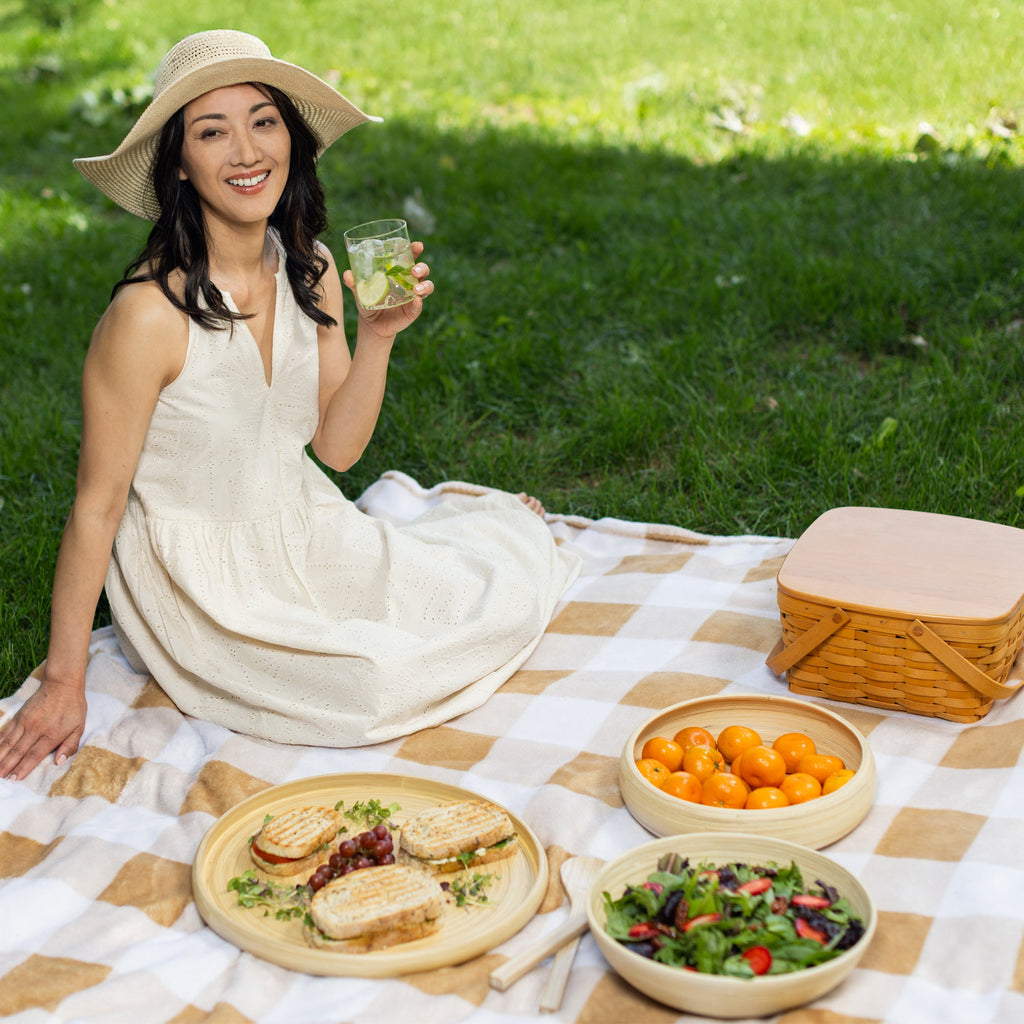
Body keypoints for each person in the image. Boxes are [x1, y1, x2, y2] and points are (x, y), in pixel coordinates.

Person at [0, 30, 580, 780]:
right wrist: (63, 681)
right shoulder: (149, 316)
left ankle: (488, 530)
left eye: (263, 121)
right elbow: (96, 508)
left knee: (473, 602)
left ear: (292, 138)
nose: (246, 152)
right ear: (180, 162)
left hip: (304, 523)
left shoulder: (311, 266)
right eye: (213, 132)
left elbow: (336, 453)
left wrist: (377, 338)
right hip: (203, 581)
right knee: (378, 682)